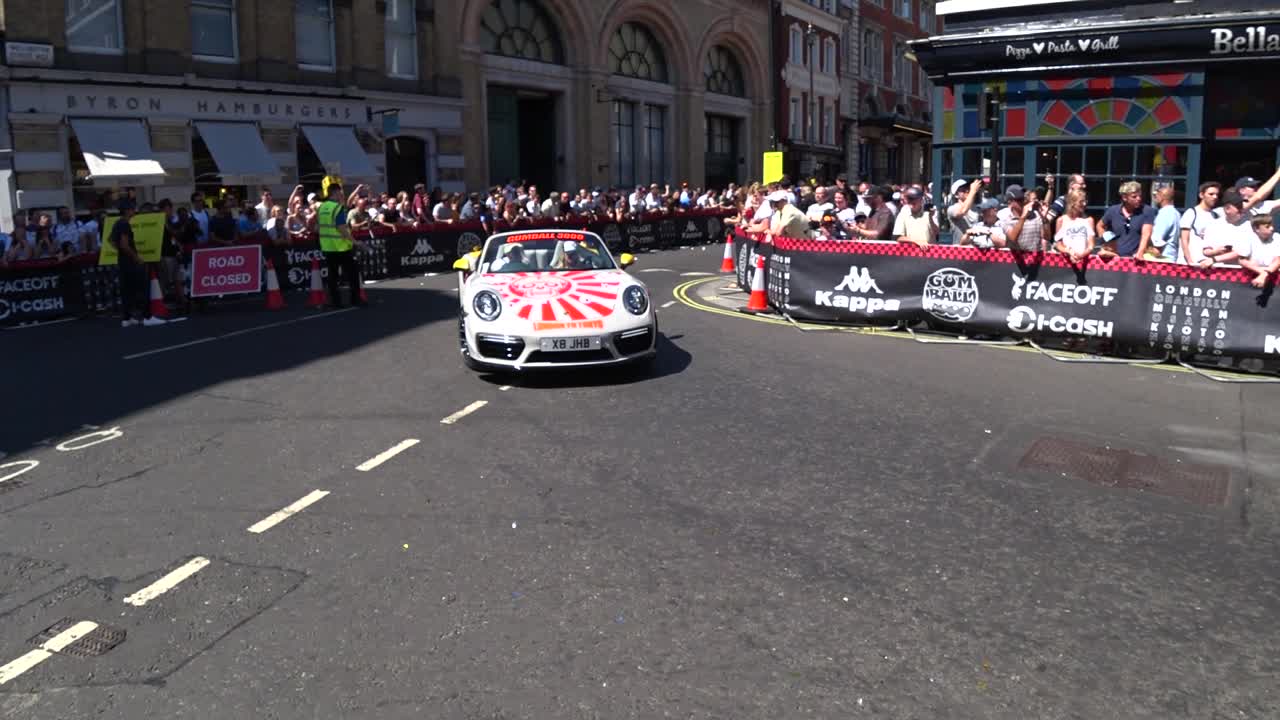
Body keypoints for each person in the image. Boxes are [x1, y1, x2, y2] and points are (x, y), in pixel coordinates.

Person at [109, 199, 163, 327]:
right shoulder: (124, 224)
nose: (135, 211)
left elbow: (111, 240)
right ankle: (147, 317)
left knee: (127, 290)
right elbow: (124, 244)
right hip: (130, 262)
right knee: (142, 289)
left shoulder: (117, 223)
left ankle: (127, 318)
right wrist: (136, 258)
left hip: (123, 262)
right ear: (127, 210)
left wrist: (121, 251)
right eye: (133, 208)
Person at [316, 178, 365, 308]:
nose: (341, 194)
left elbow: (317, 227)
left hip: (327, 247)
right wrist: (355, 242)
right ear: (336, 193)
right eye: (340, 192)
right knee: (353, 273)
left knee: (332, 275)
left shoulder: (321, 207)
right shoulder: (337, 208)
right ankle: (355, 299)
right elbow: (342, 228)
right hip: (341, 247)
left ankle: (335, 301)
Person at [1097, 181, 1155, 259]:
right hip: (1114, 257)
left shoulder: (1147, 211)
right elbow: (1100, 226)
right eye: (1134, 197)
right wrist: (1108, 241)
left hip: (1134, 257)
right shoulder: (1113, 211)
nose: (1139, 199)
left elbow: (1146, 234)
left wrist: (1140, 252)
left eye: (1140, 196)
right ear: (1124, 198)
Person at [1179, 181, 1221, 264]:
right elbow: (1184, 239)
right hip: (1191, 262)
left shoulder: (1216, 215)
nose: (1215, 197)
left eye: (1217, 194)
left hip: (1208, 263)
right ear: (1201, 195)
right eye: (1211, 194)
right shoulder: (1191, 213)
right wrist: (1189, 261)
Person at [997, 185, 1047, 252]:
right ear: (1010, 202)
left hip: (1035, 257)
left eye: (1024, 199)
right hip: (1015, 259)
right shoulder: (1004, 216)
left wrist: (1044, 219)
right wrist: (1023, 217)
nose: (1023, 202)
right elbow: (1012, 238)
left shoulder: (1036, 214)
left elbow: (1047, 237)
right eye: (1019, 200)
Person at [1053, 189, 1095, 264]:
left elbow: (1091, 246)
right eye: (1081, 201)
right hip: (1065, 263)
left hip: (1084, 263)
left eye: (1085, 201)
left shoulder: (1088, 220)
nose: (1084, 204)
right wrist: (1069, 251)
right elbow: (1058, 245)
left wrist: (1080, 256)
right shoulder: (1061, 220)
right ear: (1072, 203)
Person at [1238, 215, 1279, 288]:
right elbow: (1242, 260)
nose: (1272, 228)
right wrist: (1261, 272)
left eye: (1271, 225)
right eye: (1267, 226)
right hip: (1249, 276)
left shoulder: (1277, 237)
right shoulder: (1247, 238)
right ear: (1257, 229)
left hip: (1273, 277)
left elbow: (1278, 260)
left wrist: (1265, 273)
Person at [1149, 185, 1181, 262]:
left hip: (1162, 259)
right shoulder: (1176, 213)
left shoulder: (1165, 213)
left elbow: (1157, 240)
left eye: (1155, 195)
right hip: (1172, 256)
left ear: (1161, 197)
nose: (1154, 197)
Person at [946, 178, 983, 244]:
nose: (967, 190)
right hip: (960, 250)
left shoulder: (978, 209)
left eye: (968, 188)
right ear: (956, 195)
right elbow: (962, 211)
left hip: (976, 249)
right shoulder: (952, 209)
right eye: (963, 190)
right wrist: (973, 191)